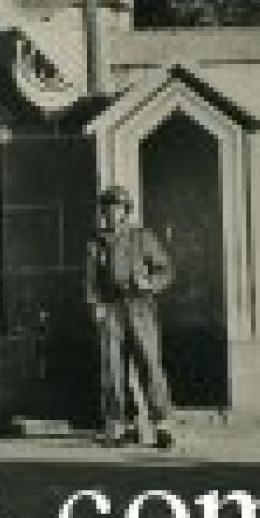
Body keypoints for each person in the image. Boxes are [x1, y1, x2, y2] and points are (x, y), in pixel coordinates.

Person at [86, 185, 176, 449]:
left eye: (117, 209)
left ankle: (162, 425)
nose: (112, 215)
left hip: (140, 306)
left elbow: (166, 270)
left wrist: (149, 282)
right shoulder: (96, 242)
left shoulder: (142, 237)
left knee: (149, 363)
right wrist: (95, 305)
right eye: (107, 209)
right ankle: (123, 425)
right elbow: (91, 280)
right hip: (111, 307)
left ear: (126, 212)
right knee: (113, 369)